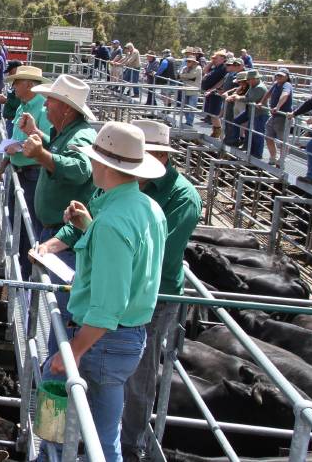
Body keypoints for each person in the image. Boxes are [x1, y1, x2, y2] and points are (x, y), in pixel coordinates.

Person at [35, 121, 167, 462]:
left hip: (102, 340)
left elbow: (108, 305)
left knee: (66, 411)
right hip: (128, 336)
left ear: (106, 165)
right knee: (105, 434)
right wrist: (87, 227)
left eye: (94, 158)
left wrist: (73, 351)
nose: (91, 164)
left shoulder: (112, 222)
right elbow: (129, 263)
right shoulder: (147, 208)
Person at [120, 120, 201, 461]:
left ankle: (131, 444)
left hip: (154, 294)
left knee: (140, 368)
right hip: (123, 285)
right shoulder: (135, 181)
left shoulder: (183, 197)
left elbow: (158, 254)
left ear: (159, 156)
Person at [17, 74, 97, 319]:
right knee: (53, 304)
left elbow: (81, 169)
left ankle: (60, 353)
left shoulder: (81, 136)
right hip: (56, 230)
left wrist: (41, 155)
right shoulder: (68, 133)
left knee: (60, 309)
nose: (44, 105)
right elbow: (62, 152)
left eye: (50, 100)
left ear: (65, 108)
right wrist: (37, 134)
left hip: (64, 237)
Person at [0, 65, 50, 273]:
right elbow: (17, 138)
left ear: (29, 84)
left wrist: (21, 145)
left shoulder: (44, 109)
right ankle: (14, 261)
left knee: (29, 225)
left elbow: (48, 144)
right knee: (15, 219)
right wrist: (4, 163)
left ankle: (24, 272)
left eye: (16, 83)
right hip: (18, 171)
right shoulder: (21, 106)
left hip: (33, 173)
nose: (13, 87)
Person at [227, 70, 266, 158]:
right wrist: (236, 96)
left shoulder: (260, 87)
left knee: (258, 133)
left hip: (260, 113)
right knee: (240, 124)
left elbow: (250, 99)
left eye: (249, 80)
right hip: (251, 111)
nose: (247, 81)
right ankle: (240, 143)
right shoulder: (253, 86)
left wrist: (237, 97)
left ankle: (257, 154)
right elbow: (247, 97)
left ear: (255, 79)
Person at [265, 69, 294, 166]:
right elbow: (268, 93)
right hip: (274, 116)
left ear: (287, 77)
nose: (278, 77)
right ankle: (273, 157)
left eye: (281, 76)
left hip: (283, 116)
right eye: (277, 75)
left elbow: (285, 95)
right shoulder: (276, 84)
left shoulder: (287, 85)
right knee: (268, 136)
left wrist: (277, 107)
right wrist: (261, 102)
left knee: (283, 140)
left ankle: (282, 160)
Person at [200, 50, 229, 137]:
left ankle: (218, 131)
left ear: (223, 58)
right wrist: (211, 62)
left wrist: (212, 89)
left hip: (216, 93)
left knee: (214, 113)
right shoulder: (215, 67)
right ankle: (215, 130)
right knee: (210, 112)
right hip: (209, 93)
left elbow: (222, 80)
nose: (214, 59)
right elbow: (205, 70)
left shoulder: (223, 67)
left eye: (216, 57)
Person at [175, 51, 202, 126]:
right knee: (185, 107)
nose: (187, 62)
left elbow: (191, 76)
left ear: (194, 62)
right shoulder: (185, 68)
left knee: (191, 107)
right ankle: (187, 121)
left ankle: (189, 122)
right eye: (187, 61)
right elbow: (179, 74)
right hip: (185, 90)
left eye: (189, 61)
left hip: (193, 91)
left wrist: (183, 75)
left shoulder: (198, 68)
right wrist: (183, 75)